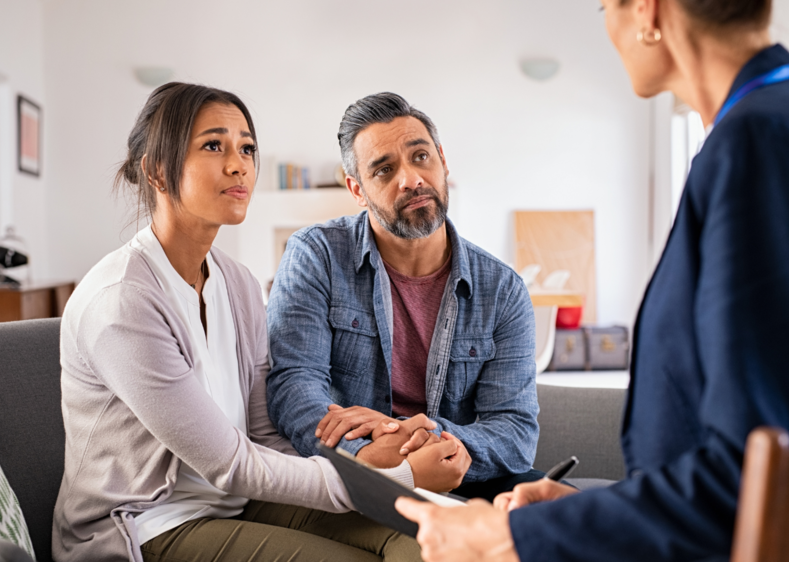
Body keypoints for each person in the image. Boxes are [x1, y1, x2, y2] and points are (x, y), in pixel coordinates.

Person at [395, 0, 789, 560]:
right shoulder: (760, 126)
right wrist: (581, 513)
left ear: (648, 10)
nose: (606, 25)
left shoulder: (753, 143)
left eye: (605, 6)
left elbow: (754, 478)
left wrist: (509, 536)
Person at [52, 82, 468, 562]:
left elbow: (263, 435)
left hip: (241, 503)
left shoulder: (240, 284)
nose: (239, 164)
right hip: (149, 524)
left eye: (247, 148)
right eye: (214, 145)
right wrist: (390, 477)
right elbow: (229, 463)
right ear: (157, 170)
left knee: (426, 540)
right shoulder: (123, 301)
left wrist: (371, 458)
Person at [266, 92, 542, 501]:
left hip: (460, 469)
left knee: (570, 513)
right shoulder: (317, 255)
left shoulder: (502, 290)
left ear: (442, 161)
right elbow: (295, 385)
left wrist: (429, 438)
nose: (411, 179)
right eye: (383, 170)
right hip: (359, 473)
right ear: (357, 189)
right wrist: (371, 457)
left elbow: (514, 429)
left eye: (420, 157)